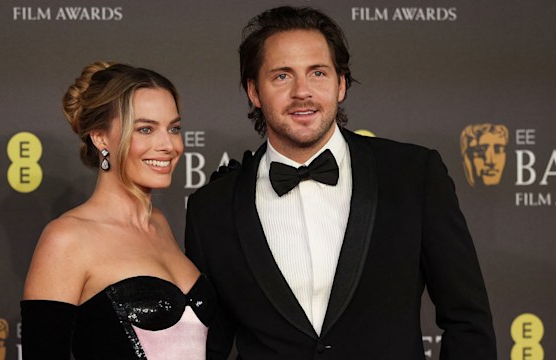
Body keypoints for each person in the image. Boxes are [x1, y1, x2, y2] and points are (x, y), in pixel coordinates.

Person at [185, 6, 496, 359]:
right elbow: (207, 345)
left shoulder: (413, 174)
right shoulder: (211, 208)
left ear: (341, 84)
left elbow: (468, 322)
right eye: (282, 76)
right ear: (254, 91)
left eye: (317, 73)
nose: (303, 91)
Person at [21, 62, 215, 360]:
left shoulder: (160, 226)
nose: (168, 145)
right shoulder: (66, 238)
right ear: (100, 138)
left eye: (173, 128)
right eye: (145, 129)